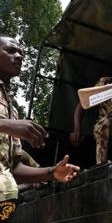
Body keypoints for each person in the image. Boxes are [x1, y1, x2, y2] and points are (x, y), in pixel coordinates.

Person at [0, 34, 80, 220]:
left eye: (21, 52)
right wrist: (6, 125)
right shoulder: (10, 120)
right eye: (11, 50)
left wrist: (52, 173)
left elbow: (15, 168)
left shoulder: (11, 108)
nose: (19, 56)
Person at [69, 53, 112, 164]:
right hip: (108, 124)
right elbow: (83, 104)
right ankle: (101, 165)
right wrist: (77, 129)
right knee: (107, 118)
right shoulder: (107, 82)